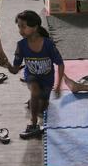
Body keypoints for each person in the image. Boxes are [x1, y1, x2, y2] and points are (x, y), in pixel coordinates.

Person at [6, 11, 64, 139]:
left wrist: (58, 85)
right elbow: (15, 70)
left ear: (35, 27)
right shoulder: (21, 46)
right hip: (31, 76)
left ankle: (36, 102)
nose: (20, 30)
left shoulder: (48, 44)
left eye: (23, 26)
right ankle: (33, 124)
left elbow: (60, 64)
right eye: (19, 26)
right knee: (35, 91)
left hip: (47, 79)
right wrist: (7, 65)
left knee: (42, 109)